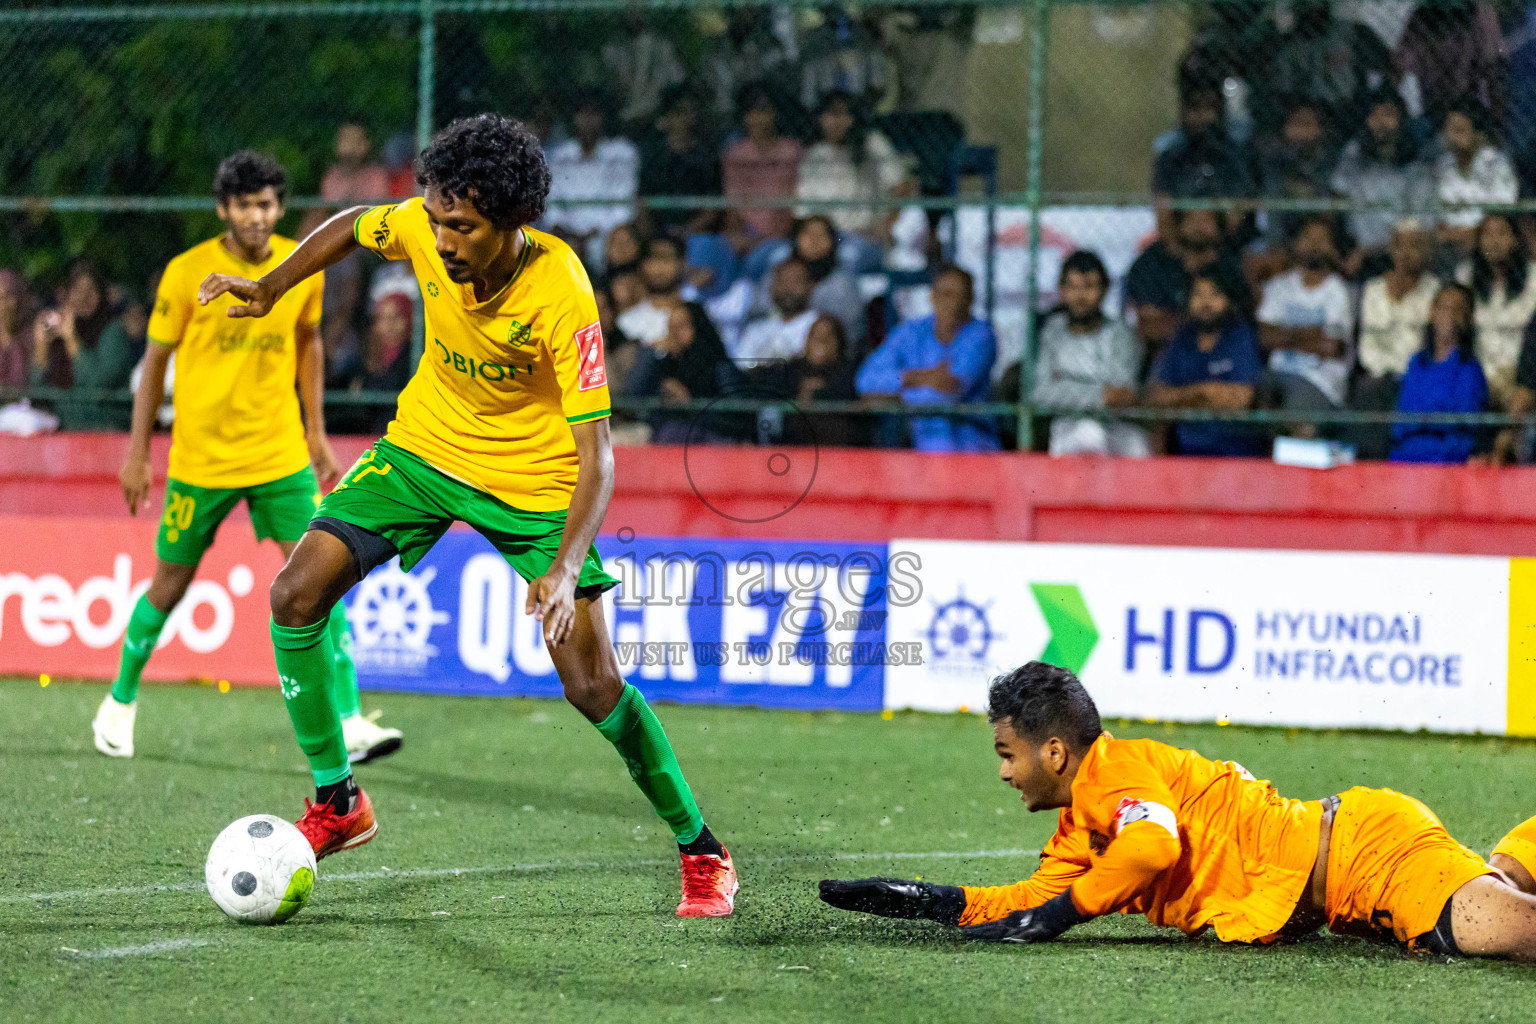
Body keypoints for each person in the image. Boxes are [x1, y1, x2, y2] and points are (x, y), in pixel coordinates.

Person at [199, 115, 739, 916]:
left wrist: (561, 570)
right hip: (424, 452)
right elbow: (353, 226)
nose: (442, 238)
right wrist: (274, 286)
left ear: (511, 220)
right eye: (436, 217)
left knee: (592, 687)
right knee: (293, 596)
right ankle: (338, 802)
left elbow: (600, 455)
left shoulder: (562, 290)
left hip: (535, 483)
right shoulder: (425, 220)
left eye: (463, 226)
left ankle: (703, 849)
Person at [819, 661, 1536, 963]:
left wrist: (1064, 919)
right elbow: (1029, 900)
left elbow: (1154, 850)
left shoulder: (1119, 772)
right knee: (1501, 888)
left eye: (1009, 754)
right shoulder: (1083, 825)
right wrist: (930, 902)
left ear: (1057, 753)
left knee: (1509, 930)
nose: (1004, 772)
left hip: (1362, 859)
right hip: (1349, 861)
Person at [91, 151, 396, 766]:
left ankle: (350, 717)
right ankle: (119, 703)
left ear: (279, 207)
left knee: (321, 578)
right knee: (170, 585)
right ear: (223, 208)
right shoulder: (185, 272)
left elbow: (308, 346)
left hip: (279, 456)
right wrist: (137, 452)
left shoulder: (302, 263)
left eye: (267, 204)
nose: (257, 216)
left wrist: (315, 434)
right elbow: (154, 364)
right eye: (244, 205)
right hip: (200, 460)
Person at [855, 265, 999, 452]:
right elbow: (866, 382)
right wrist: (913, 378)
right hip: (921, 446)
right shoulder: (912, 331)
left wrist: (891, 393)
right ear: (932, 296)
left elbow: (947, 392)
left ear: (971, 299)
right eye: (945, 294)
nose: (953, 303)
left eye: (960, 296)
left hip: (972, 447)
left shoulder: (981, 335)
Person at [1030, 250, 1147, 457]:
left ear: (1104, 290)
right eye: (1073, 287)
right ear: (1062, 290)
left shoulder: (1121, 334)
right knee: (1088, 434)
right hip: (1068, 427)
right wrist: (1100, 393)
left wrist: (1065, 384)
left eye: (1089, 287)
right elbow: (1041, 392)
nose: (1081, 296)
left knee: (1139, 446)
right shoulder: (1052, 332)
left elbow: (1122, 393)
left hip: (1116, 428)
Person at [1145, 272, 1265, 457]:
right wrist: (1204, 391)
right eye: (1198, 295)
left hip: (1236, 450)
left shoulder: (1240, 337)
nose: (1205, 303)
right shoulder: (1180, 339)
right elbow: (1157, 397)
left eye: (1215, 295)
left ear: (1229, 300)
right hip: (1184, 449)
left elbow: (1242, 398)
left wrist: (1183, 399)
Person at [1255, 216, 1354, 432]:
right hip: (1277, 373)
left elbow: (1332, 347)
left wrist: (1285, 335)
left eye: (1322, 239)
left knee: (1298, 417)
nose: (1315, 245)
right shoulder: (1280, 286)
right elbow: (1265, 338)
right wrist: (1314, 334)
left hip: (1320, 380)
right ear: (1296, 243)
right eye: (1309, 237)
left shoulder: (1338, 290)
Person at [1353, 221, 1439, 459]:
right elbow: (1367, 345)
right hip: (1375, 378)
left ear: (1427, 252)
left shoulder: (1435, 291)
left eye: (1415, 246)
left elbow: (1420, 348)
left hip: (1414, 378)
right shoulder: (1372, 289)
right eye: (1400, 245)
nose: (1406, 253)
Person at [1123, 209, 1252, 355]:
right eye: (1192, 219)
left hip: (1227, 353)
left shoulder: (1232, 264)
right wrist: (1202, 320)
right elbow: (1150, 327)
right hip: (1168, 355)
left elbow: (1244, 320)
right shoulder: (1153, 262)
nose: (1199, 226)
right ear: (1179, 223)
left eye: (1206, 219)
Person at [1330, 89, 1434, 268]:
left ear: (1402, 121)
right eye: (1374, 115)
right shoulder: (1354, 156)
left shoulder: (1417, 168)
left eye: (1388, 115)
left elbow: (1420, 224)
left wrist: (1373, 251)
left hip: (1400, 255)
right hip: (1358, 254)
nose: (1380, 122)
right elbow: (1336, 196)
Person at [29, 262, 138, 430]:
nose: (83, 297)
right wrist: (41, 348)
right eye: (77, 290)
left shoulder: (114, 332)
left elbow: (98, 384)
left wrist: (72, 341)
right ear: (67, 294)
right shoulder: (59, 334)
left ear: (101, 294)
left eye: (90, 290)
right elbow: (36, 394)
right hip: (62, 433)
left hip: (104, 429)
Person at [1391, 283, 1489, 463]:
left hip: (1447, 458)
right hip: (1407, 454)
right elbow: (1403, 420)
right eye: (1443, 307)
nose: (1448, 315)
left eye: (1456, 309)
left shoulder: (1469, 369)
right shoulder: (1417, 363)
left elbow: (1464, 429)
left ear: (1466, 319)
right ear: (1432, 312)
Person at [794, 90, 907, 244]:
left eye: (843, 115)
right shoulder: (814, 155)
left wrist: (887, 225)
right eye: (831, 115)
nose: (836, 122)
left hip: (865, 235)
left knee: (850, 256)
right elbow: (804, 208)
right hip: (826, 239)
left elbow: (900, 187)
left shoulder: (873, 144)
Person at [628, 301, 747, 444]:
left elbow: (740, 420)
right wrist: (650, 355)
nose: (673, 335)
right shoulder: (664, 366)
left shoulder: (720, 370)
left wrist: (690, 404)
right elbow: (633, 397)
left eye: (681, 327)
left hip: (714, 447)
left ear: (698, 327)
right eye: (670, 329)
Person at [542, 96, 640, 271]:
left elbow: (623, 204)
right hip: (569, 235)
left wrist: (598, 233)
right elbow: (553, 205)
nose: (588, 120)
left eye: (594, 114)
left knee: (622, 242)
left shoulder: (622, 152)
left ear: (604, 117)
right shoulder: (558, 155)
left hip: (609, 233)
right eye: (582, 114)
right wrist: (572, 235)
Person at [1454, 214, 1536, 410]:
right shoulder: (1465, 276)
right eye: (1487, 234)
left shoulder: (1533, 278)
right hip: (1477, 373)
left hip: (1520, 376)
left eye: (1501, 234)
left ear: (1515, 239)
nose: (1494, 242)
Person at [1434, 101, 1518, 258]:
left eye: (1460, 131)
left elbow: (1500, 213)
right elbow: (1438, 222)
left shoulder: (1497, 164)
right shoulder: (1442, 166)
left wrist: (1470, 234)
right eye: (1450, 131)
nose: (1452, 138)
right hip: (1449, 250)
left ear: (1478, 134)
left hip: (1486, 250)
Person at [722, 83, 804, 241]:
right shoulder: (736, 154)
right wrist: (738, 238)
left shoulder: (792, 151)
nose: (757, 119)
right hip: (747, 229)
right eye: (750, 113)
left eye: (762, 112)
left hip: (783, 230)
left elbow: (794, 200)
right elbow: (732, 203)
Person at [637, 85, 721, 235]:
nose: (686, 118)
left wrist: (686, 231)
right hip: (657, 234)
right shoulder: (652, 156)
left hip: (698, 235)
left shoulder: (708, 157)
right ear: (667, 117)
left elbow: (711, 209)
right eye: (679, 112)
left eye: (691, 111)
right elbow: (643, 204)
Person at [333, 293, 416, 436]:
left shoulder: (413, 356)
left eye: (396, 318)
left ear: (409, 320)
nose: (389, 325)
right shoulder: (365, 355)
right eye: (383, 318)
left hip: (397, 433)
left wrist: (365, 385)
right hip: (361, 435)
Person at [735, 257, 820, 367]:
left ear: (811, 286)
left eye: (796, 282)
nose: (788, 289)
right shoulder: (754, 330)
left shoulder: (819, 328)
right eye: (781, 281)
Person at [616, 235, 695, 349]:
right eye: (652, 259)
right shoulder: (627, 322)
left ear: (681, 263)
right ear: (642, 265)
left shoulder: (699, 307)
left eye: (666, 258)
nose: (659, 267)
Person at [321, 123, 390, 203]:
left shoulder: (377, 176)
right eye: (346, 140)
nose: (351, 147)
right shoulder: (332, 176)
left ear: (366, 144)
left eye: (357, 141)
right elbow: (329, 206)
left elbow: (376, 208)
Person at [0, 269, 31, 389]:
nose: (7, 306)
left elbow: (21, 382)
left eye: (7, 297)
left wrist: (8, 337)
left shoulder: (30, 338)